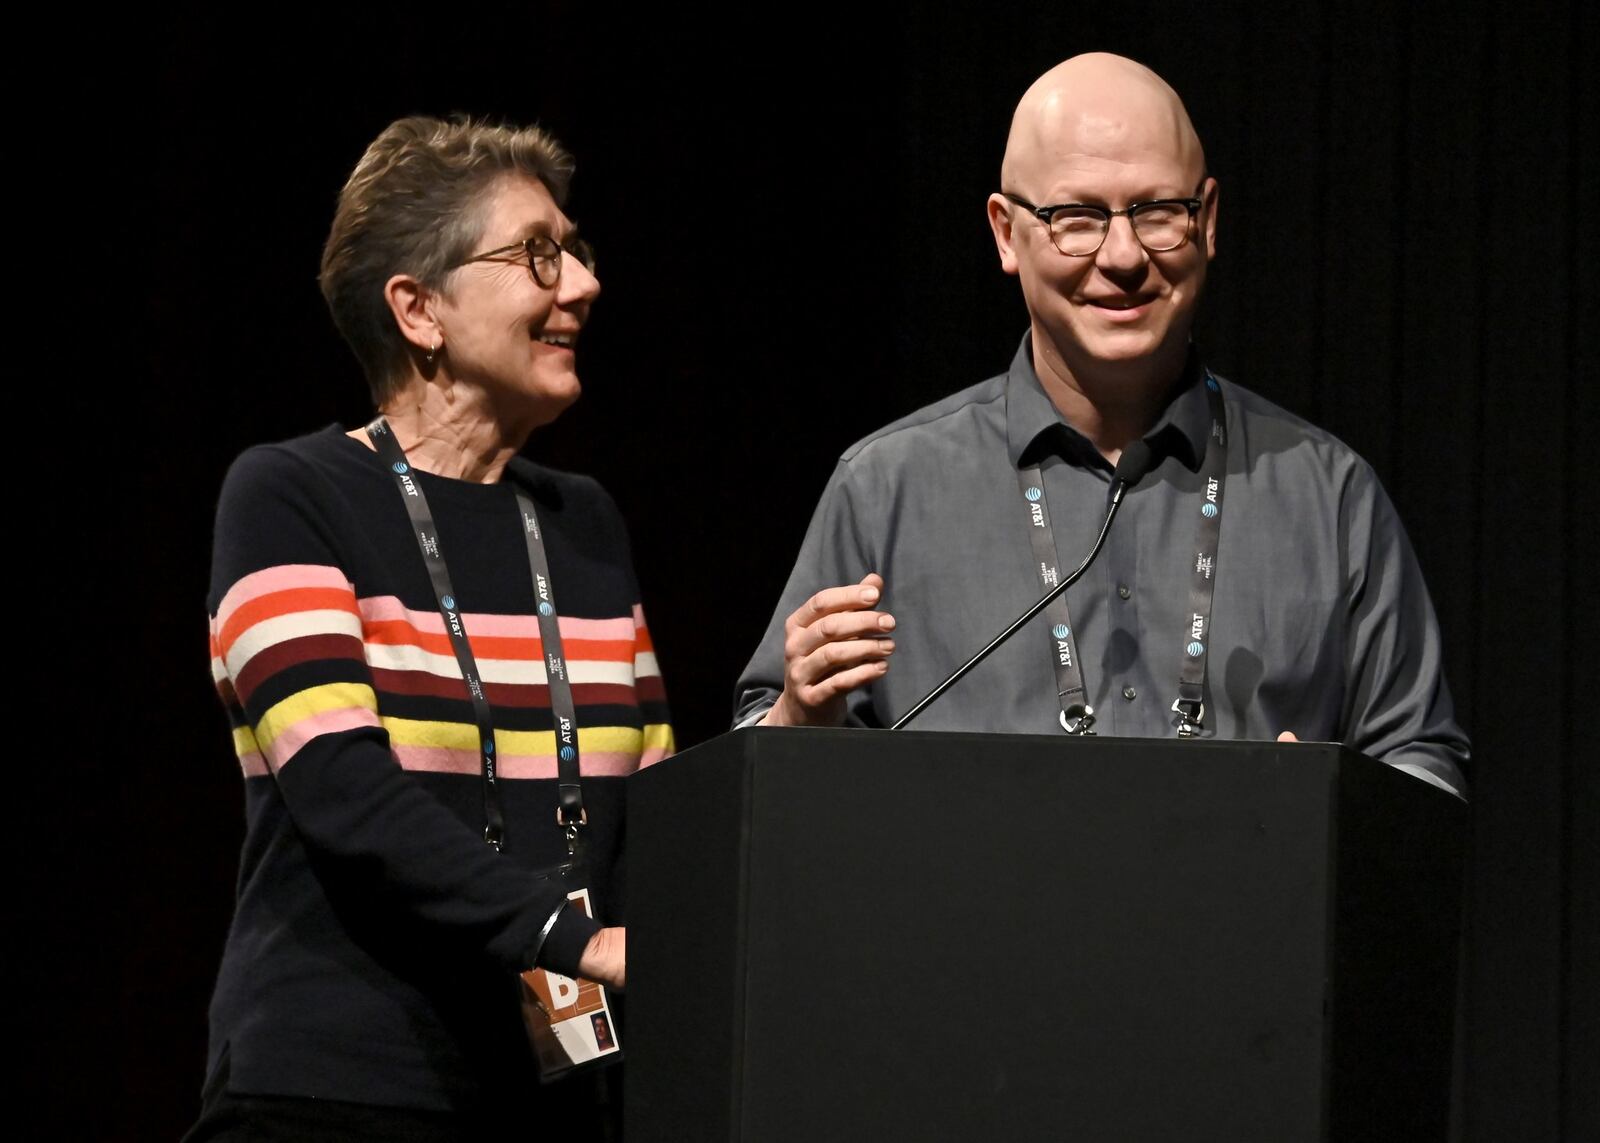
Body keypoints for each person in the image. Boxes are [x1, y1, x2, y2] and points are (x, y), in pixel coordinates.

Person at [734, 53, 1467, 797]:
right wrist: (800, 718)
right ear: (1005, 233)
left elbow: (1423, 764)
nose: (1122, 257)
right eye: (1075, 218)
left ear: (1207, 221)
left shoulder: (1330, 496)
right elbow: (749, 786)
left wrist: (1337, 810)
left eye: (1157, 213)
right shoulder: (885, 489)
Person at [190, 116, 673, 1141]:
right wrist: (569, 937)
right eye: (538, 255)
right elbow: (342, 790)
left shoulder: (581, 521)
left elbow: (648, 814)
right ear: (418, 309)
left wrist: (793, 717)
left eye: (575, 251)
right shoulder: (289, 495)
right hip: (337, 1090)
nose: (580, 286)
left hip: (553, 1096)